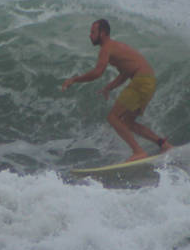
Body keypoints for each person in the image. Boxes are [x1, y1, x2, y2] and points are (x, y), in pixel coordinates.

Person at [62, 19, 172, 162]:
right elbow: (125, 73)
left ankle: (138, 151)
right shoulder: (115, 47)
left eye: (93, 32)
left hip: (141, 80)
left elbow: (97, 72)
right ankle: (163, 144)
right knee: (128, 122)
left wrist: (74, 79)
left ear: (102, 33)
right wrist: (109, 87)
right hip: (148, 80)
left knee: (112, 117)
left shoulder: (106, 48)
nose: (90, 35)